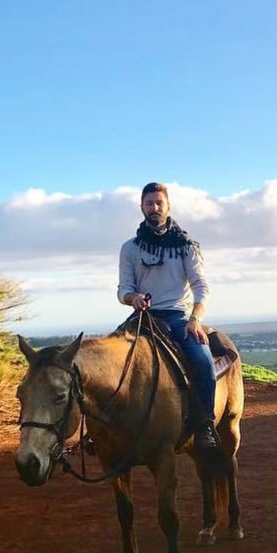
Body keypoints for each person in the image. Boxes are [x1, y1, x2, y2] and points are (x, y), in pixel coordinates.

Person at [117, 182, 219, 451]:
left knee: (203, 361)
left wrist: (195, 318)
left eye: (159, 203)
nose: (154, 208)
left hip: (177, 315)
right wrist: (133, 298)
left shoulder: (186, 245)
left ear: (168, 206)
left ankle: (205, 424)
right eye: (149, 203)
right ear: (142, 207)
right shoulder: (130, 248)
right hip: (143, 316)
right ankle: (102, 429)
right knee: (109, 361)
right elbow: (124, 289)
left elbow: (201, 286)